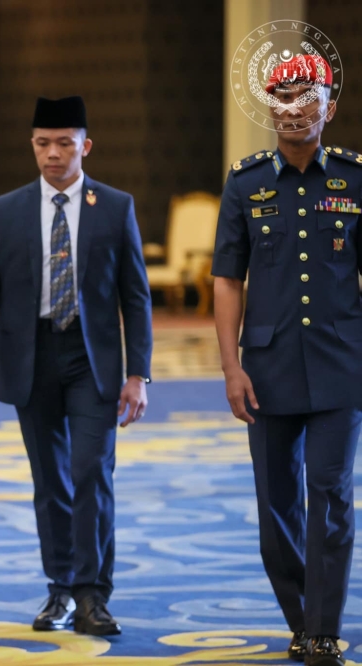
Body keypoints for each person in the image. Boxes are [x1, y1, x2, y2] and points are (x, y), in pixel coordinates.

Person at [0, 96, 152, 636]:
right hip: (31, 358)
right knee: (50, 480)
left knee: (91, 472)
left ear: (85, 146)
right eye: (43, 144)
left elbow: (135, 296)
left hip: (92, 360)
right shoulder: (7, 210)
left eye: (64, 144)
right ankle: (61, 590)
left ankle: (93, 593)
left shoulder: (115, 207)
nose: (53, 154)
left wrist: (138, 373)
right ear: (32, 146)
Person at [213, 54, 359, 666]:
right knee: (275, 506)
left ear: (328, 107)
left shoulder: (354, 178)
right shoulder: (245, 183)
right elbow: (227, 279)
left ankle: (323, 629)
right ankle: (300, 619)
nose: (295, 110)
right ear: (270, 108)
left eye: (308, 99)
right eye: (283, 99)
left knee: (330, 495)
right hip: (267, 369)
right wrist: (231, 366)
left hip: (342, 364)